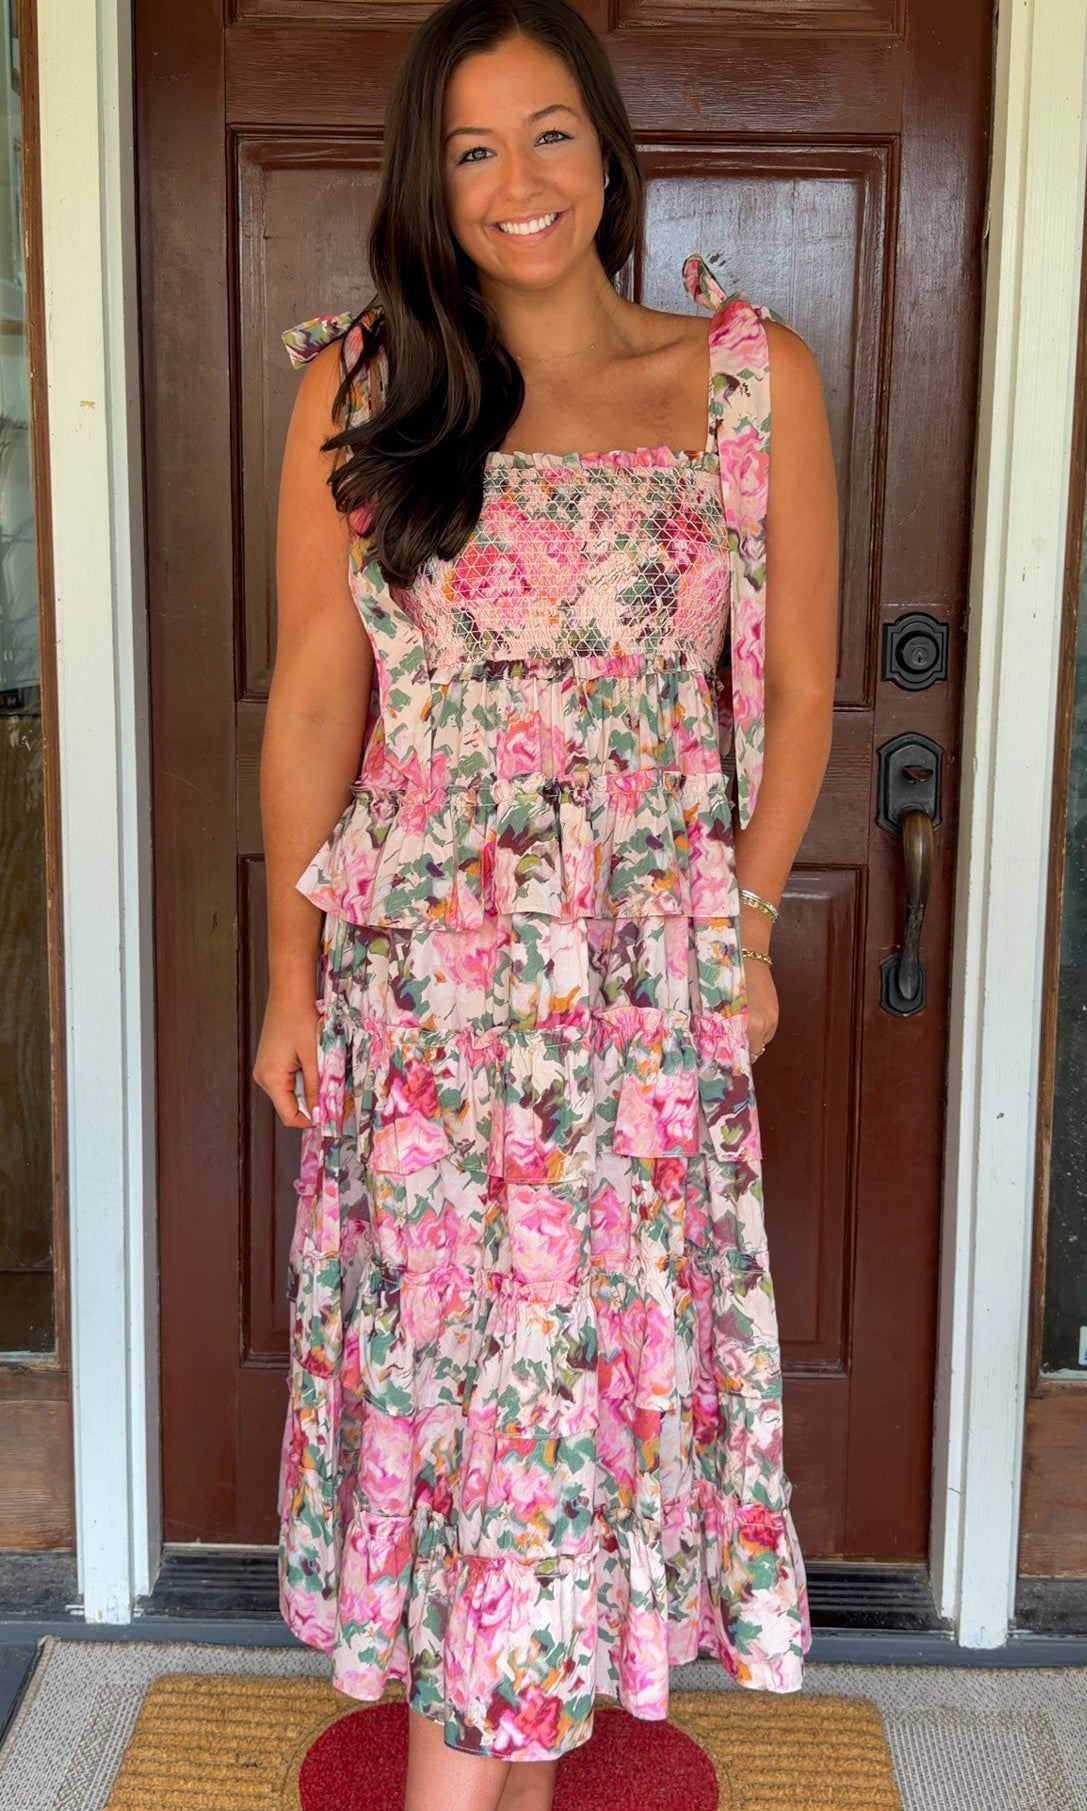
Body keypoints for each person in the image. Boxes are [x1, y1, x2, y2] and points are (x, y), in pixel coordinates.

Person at [254, 0, 838, 1804]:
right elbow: (310, 706)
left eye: (554, 133)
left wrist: (737, 926)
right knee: (476, 1410)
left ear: (611, 150)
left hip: (637, 1005)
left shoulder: (747, 382)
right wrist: (288, 983)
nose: (521, 183)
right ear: (431, 183)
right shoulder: (361, 391)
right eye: (475, 147)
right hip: (426, 1007)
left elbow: (801, 692)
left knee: (568, 1412)